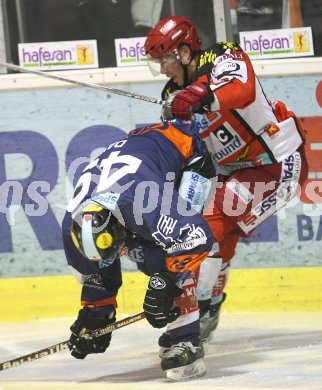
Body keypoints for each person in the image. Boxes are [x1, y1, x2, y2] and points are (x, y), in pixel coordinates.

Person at [144, 16, 308, 342]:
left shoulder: (223, 56)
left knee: (211, 220)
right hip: (234, 171)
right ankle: (209, 302)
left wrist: (199, 95)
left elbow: (242, 90)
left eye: (165, 58)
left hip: (278, 163)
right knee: (212, 233)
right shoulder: (172, 92)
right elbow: (187, 149)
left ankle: (196, 303)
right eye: (157, 62)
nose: (162, 69)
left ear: (187, 51)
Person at [62, 119, 218, 380]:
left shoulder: (146, 201)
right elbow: (96, 266)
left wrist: (165, 283)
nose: (122, 253)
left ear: (123, 227)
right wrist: (97, 311)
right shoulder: (73, 225)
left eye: (120, 245)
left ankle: (186, 338)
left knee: (166, 253)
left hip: (188, 154)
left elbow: (197, 237)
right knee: (135, 251)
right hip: (138, 163)